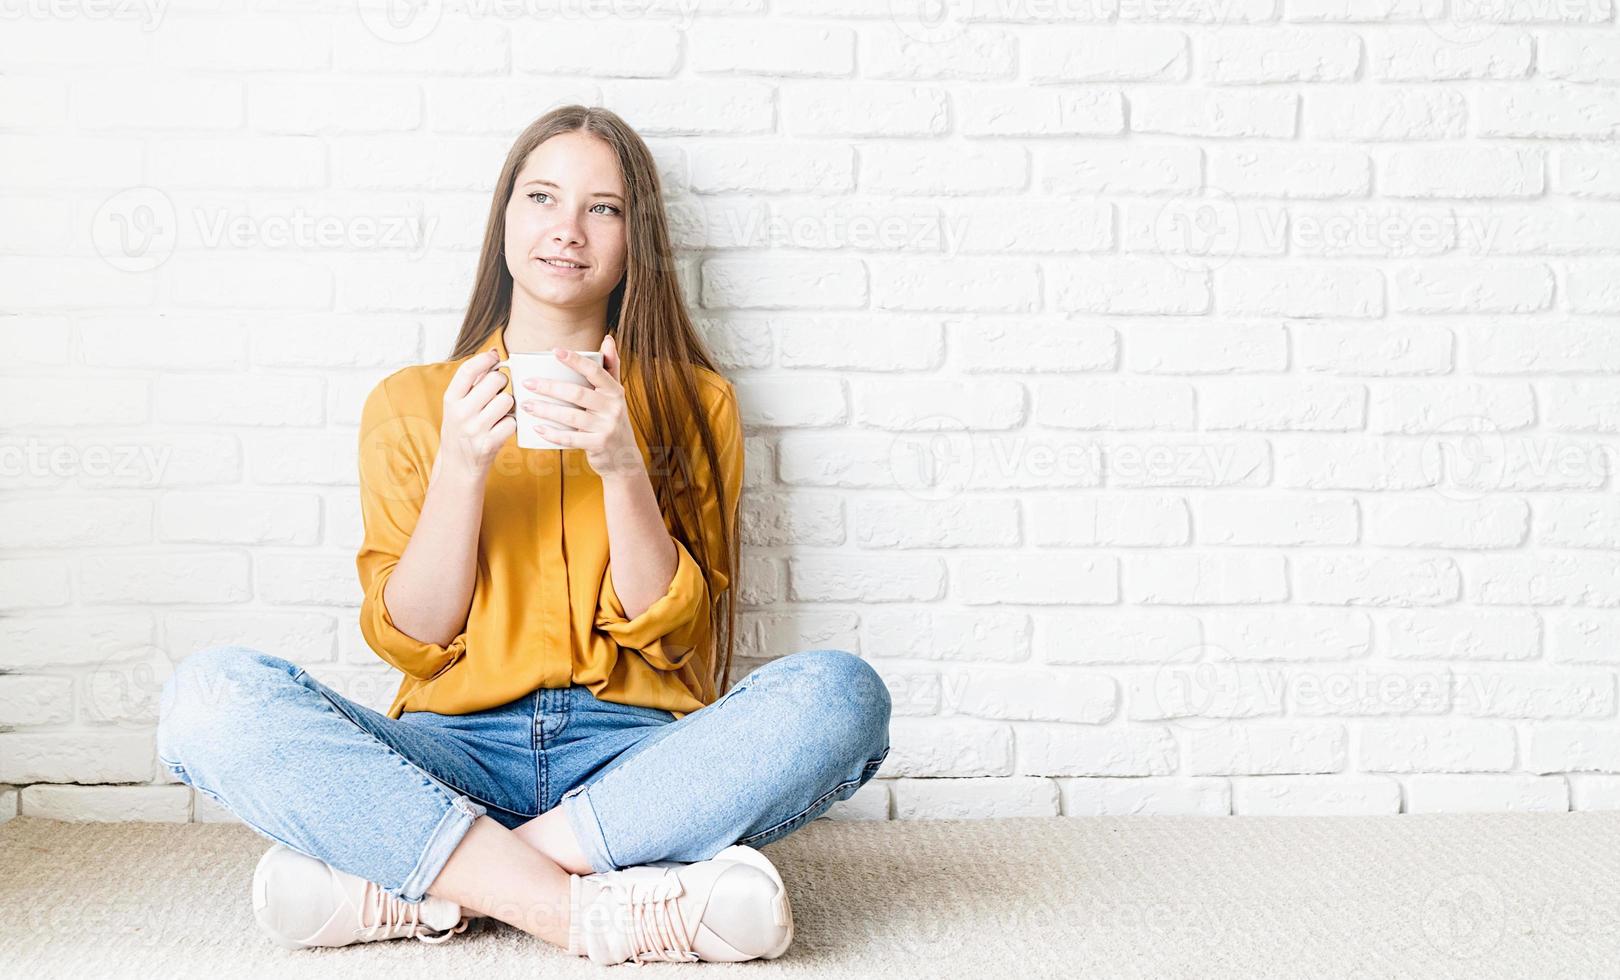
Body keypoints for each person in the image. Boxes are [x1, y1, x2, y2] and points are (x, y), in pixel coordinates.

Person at [155, 104, 892, 966]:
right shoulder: (410, 404)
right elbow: (416, 638)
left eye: (603, 208)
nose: (568, 229)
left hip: (637, 762)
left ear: (634, 238)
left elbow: (680, 632)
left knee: (843, 697)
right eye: (541, 197)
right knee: (209, 697)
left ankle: (433, 885)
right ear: (504, 218)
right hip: (449, 752)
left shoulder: (695, 403)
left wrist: (623, 464)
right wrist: (462, 467)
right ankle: (590, 909)